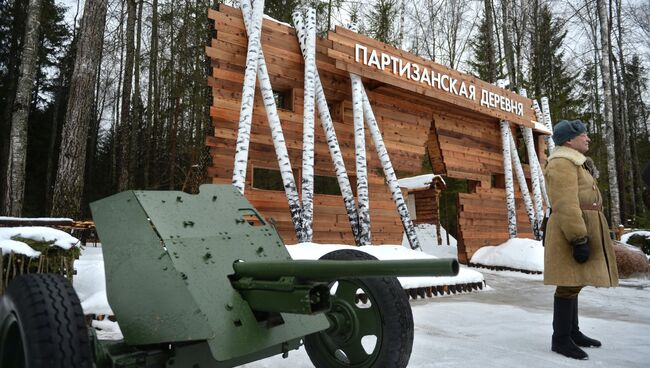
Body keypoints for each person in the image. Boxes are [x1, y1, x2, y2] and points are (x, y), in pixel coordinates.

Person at [543, 119, 618, 360]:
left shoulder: (576, 162)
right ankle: (561, 339)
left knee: (575, 282)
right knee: (567, 285)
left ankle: (572, 332)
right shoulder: (562, 163)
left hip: (585, 226)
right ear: (569, 140)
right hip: (572, 229)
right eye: (583, 135)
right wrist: (578, 238)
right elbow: (565, 203)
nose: (588, 138)